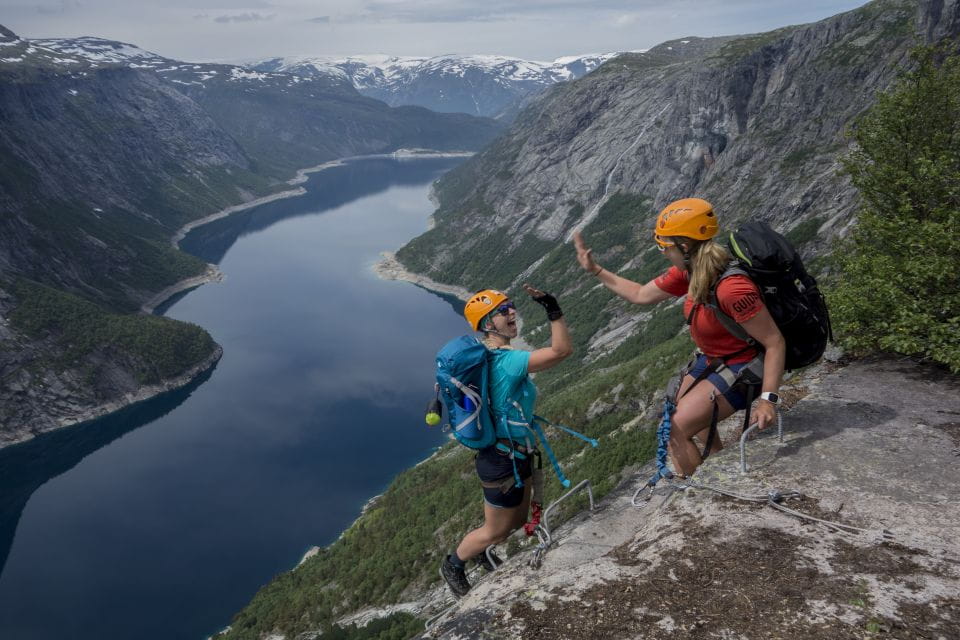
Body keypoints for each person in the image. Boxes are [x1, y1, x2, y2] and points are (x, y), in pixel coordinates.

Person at [573, 197, 785, 478]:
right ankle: (717, 469)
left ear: (684, 246)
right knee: (675, 410)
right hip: (717, 358)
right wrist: (596, 270)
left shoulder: (732, 289)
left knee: (674, 427)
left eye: (664, 246)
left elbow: (774, 342)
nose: (663, 252)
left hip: (745, 366)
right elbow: (640, 294)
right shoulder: (692, 271)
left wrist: (768, 400)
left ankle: (697, 492)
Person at [440, 284, 573, 597]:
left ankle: (482, 553)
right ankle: (454, 564)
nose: (512, 312)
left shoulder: (489, 356)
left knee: (514, 523)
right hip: (501, 460)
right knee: (495, 530)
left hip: (513, 453)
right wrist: (553, 310)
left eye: (510, 305)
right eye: (503, 310)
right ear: (488, 323)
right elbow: (561, 351)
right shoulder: (507, 362)